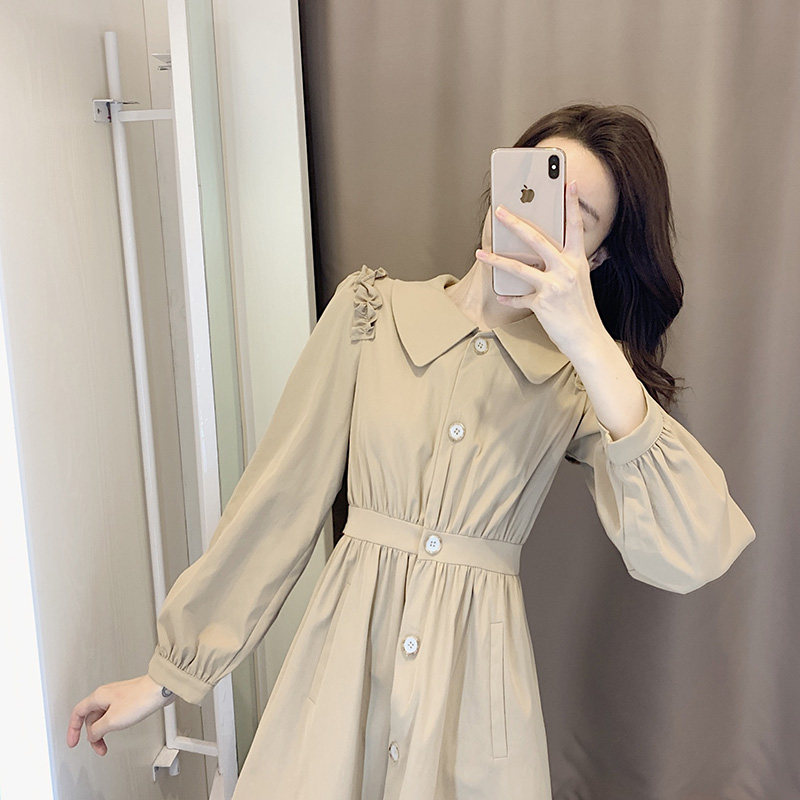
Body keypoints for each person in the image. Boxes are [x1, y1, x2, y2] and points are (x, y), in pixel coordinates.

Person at [67, 103, 756, 798]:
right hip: (340, 679)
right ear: (502, 184)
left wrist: (589, 343)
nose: (539, 216)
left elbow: (691, 550)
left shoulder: (582, 381)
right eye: (536, 184)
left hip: (473, 705)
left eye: (576, 214)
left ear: (597, 255)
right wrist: (167, 677)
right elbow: (278, 501)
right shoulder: (371, 313)